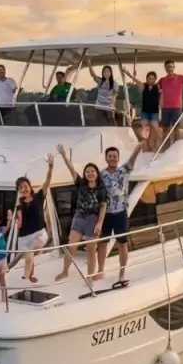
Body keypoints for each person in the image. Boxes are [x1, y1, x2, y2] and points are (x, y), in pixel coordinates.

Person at [97, 129, 147, 287]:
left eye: (114, 156)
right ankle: (100, 270)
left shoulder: (124, 170)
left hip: (120, 213)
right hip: (106, 214)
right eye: (109, 156)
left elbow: (134, 156)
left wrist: (140, 144)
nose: (112, 158)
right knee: (103, 243)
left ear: (118, 158)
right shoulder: (101, 174)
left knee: (122, 243)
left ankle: (122, 272)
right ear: (106, 158)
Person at [54, 145, 107, 282]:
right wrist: (64, 156)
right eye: (87, 171)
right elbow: (71, 169)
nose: (90, 173)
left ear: (97, 174)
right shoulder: (80, 184)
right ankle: (65, 271)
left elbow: (103, 206)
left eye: (93, 171)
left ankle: (89, 277)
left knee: (91, 250)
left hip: (93, 219)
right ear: (84, 174)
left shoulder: (101, 189)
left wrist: (100, 223)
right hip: (79, 217)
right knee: (71, 247)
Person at [13, 153, 54, 283]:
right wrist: (15, 219)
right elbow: (19, 223)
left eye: (25, 186)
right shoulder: (19, 203)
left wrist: (50, 168)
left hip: (39, 233)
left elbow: (47, 182)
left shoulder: (38, 197)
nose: (23, 189)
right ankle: (31, 276)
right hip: (24, 236)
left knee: (30, 251)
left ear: (30, 187)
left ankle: (25, 276)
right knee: (30, 256)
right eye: (20, 188)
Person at [125, 70, 161, 151]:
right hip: (145, 111)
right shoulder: (144, 86)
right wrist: (130, 75)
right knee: (145, 129)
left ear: (155, 79)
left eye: (153, 78)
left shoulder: (157, 87)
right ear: (147, 79)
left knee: (155, 129)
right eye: (149, 78)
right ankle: (145, 147)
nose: (151, 80)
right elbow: (136, 81)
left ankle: (155, 146)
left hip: (154, 112)